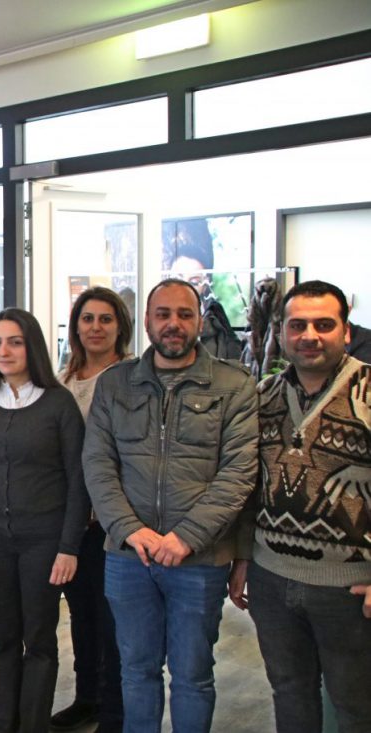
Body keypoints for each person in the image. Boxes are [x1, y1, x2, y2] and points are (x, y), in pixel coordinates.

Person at [84, 278, 258, 733]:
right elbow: (98, 465)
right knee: (135, 672)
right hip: (128, 557)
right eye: (163, 314)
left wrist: (185, 538)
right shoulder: (114, 384)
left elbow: (238, 474)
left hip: (200, 560)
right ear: (146, 321)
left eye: (184, 314)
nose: (174, 324)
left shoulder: (234, 385)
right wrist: (129, 528)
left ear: (200, 320)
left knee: (193, 676)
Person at [228, 280, 371, 733]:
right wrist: (244, 558)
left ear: (346, 332)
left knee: (354, 706)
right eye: (298, 325)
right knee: (290, 693)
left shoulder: (368, 390)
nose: (310, 335)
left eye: (324, 324)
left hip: (349, 588)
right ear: (283, 333)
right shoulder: (263, 396)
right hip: (272, 581)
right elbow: (251, 487)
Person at [0, 308, 89, 733]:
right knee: (5, 641)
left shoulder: (58, 403)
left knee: (41, 641)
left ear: (31, 346)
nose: (4, 351)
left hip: (45, 543)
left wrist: (69, 546)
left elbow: (78, 481)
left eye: (14, 341)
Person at [51, 287, 131, 733]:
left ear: (120, 326)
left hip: (111, 521)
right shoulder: (64, 379)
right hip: (68, 521)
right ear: (75, 325)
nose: (95, 327)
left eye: (105, 319)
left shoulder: (132, 377)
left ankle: (115, 713)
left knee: (112, 621)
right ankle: (88, 698)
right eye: (87, 318)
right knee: (81, 615)